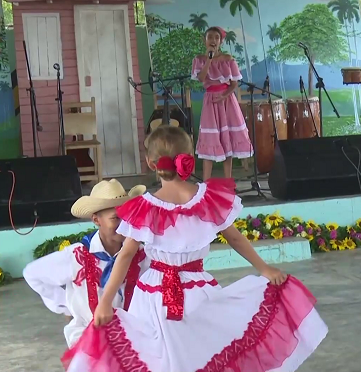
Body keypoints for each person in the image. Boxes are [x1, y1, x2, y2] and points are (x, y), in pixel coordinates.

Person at [61, 126, 328, 371]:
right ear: (189, 158)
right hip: (197, 291)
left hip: (153, 296)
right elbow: (234, 238)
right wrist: (265, 268)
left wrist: (105, 302)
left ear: (151, 164)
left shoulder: (145, 206)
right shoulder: (207, 199)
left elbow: (126, 255)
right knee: (202, 349)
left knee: (157, 357)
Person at [23, 179, 148, 347]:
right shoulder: (77, 256)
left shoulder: (139, 254)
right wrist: (67, 305)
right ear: (96, 220)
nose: (123, 225)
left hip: (130, 338)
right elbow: (33, 274)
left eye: (127, 217)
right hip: (88, 339)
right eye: (116, 218)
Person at [192, 26, 253, 180]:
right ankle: (205, 184)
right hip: (210, 101)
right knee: (210, 138)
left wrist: (224, 96)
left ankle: (228, 181)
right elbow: (201, 78)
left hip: (226, 102)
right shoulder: (199, 59)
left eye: (216, 38)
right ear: (204, 40)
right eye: (210, 37)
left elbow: (234, 84)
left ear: (221, 41)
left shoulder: (228, 59)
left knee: (228, 140)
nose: (213, 40)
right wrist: (209, 60)